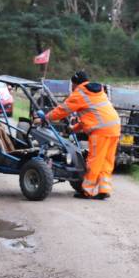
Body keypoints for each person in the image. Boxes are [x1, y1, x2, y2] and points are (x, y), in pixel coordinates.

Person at [39, 70, 120, 199]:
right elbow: (93, 117)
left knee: (94, 161)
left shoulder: (80, 93)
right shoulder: (97, 92)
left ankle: (87, 190)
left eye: (72, 85)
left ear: (75, 84)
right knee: (106, 160)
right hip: (114, 128)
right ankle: (104, 189)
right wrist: (74, 129)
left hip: (100, 132)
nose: (71, 88)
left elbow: (63, 110)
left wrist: (46, 118)